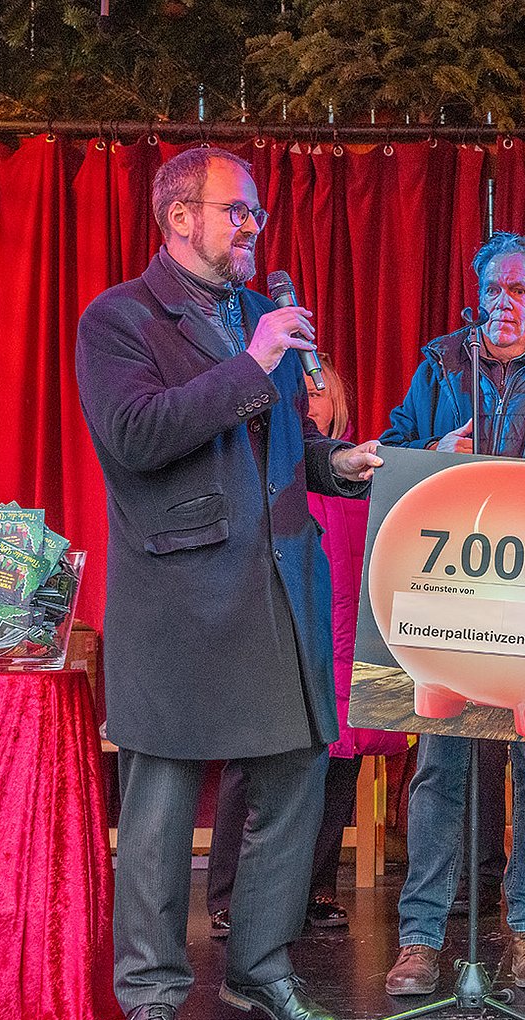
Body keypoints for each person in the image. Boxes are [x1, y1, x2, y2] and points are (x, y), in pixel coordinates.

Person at [75, 147, 380, 1020]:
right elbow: (137, 435)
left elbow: (276, 445)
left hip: (278, 581)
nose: (253, 226)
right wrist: (253, 359)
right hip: (178, 593)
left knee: (292, 780)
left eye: (256, 212)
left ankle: (261, 967)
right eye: (236, 210)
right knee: (163, 805)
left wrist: (340, 464)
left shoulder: (258, 318)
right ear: (179, 217)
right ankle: (151, 996)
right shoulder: (121, 318)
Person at [376, 231, 525, 997]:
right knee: (440, 765)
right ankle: (420, 937)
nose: (502, 302)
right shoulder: (444, 367)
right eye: (492, 289)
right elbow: (391, 456)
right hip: (451, 595)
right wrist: (433, 450)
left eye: (519, 290)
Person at [205, 356, 408, 938]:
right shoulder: (266, 465)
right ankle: (228, 893)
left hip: (347, 642)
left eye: (320, 392)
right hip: (284, 632)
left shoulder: (359, 471)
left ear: (338, 402)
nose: (311, 402)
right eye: (303, 393)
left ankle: (317, 886)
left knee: (338, 767)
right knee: (253, 764)